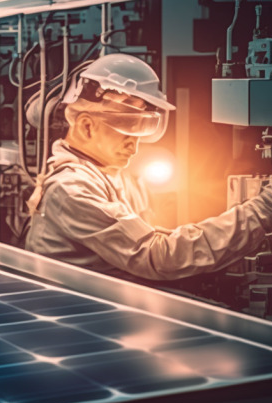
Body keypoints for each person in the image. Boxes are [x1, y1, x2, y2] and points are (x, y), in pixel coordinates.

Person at [26, 53, 272, 282]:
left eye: (138, 134)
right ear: (87, 127)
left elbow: (152, 240)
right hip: (76, 316)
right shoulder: (72, 189)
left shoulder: (110, 175)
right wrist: (263, 209)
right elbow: (157, 256)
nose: (134, 148)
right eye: (125, 132)